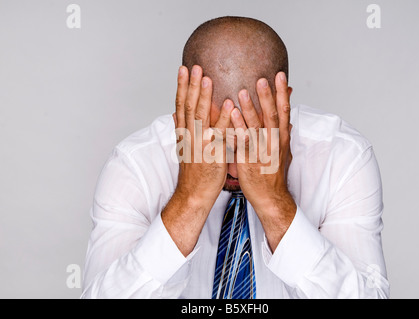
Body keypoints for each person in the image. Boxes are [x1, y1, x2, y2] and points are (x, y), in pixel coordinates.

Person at [81, 16, 389, 298]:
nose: (234, 165)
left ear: (282, 105)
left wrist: (275, 204)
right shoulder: (136, 165)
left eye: (251, 140)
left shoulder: (341, 156)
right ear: (184, 112)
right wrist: (190, 201)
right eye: (214, 140)